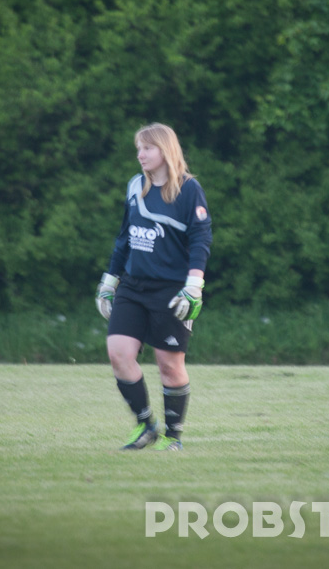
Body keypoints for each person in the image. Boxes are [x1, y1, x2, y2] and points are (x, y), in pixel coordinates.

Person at [95, 123, 212, 451]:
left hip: (171, 290)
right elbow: (124, 237)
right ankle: (146, 425)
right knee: (119, 354)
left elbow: (201, 240)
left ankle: (173, 437)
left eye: (147, 148)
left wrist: (194, 286)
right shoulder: (136, 185)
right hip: (133, 286)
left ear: (165, 150)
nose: (140, 154)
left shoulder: (189, 189)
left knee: (169, 366)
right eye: (138, 148)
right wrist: (109, 281)